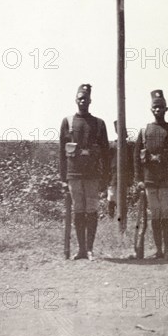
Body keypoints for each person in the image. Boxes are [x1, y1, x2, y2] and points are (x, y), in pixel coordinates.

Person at [59, 84, 109, 261]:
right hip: (73, 175)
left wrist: (105, 178)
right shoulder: (68, 122)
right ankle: (80, 249)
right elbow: (61, 153)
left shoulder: (99, 123)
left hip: (92, 175)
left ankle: (89, 249)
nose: (83, 101)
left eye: (85, 99)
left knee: (92, 210)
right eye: (80, 98)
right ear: (76, 100)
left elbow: (105, 153)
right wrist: (63, 179)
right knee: (78, 211)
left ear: (90, 101)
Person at [134, 90, 168, 259]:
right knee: (155, 214)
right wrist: (139, 179)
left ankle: (167, 249)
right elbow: (136, 158)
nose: (158, 110)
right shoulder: (144, 131)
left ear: (165, 109)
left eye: (161, 107)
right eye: (155, 107)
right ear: (151, 109)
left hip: (167, 180)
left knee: (167, 214)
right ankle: (158, 249)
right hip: (150, 180)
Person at [107, 120, 134, 218]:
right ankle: (111, 218)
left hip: (125, 176)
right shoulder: (112, 146)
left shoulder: (129, 146)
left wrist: (131, 177)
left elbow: (132, 163)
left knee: (122, 199)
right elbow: (107, 162)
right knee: (111, 198)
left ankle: (122, 219)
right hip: (113, 177)